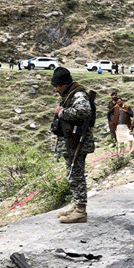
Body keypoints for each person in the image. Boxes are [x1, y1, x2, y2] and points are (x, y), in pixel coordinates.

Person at [51, 67, 95, 224]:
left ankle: (80, 210)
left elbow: (84, 111)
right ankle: (76, 205)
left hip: (77, 143)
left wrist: (61, 112)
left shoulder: (78, 94)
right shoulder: (71, 94)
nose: (56, 89)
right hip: (71, 142)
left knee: (76, 175)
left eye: (57, 85)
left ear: (63, 84)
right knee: (73, 174)